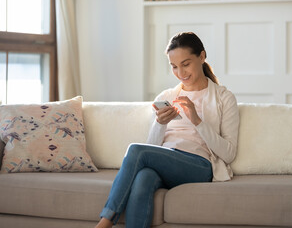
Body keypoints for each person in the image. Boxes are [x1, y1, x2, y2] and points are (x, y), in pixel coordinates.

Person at [95, 32, 240, 228]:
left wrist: (197, 121)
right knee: (143, 177)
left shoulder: (224, 98)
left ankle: (104, 222)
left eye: (186, 64)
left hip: (199, 165)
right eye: (174, 66)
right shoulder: (167, 96)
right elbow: (152, 148)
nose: (180, 72)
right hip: (166, 160)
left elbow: (229, 154)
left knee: (136, 150)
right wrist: (160, 123)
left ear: (202, 56)